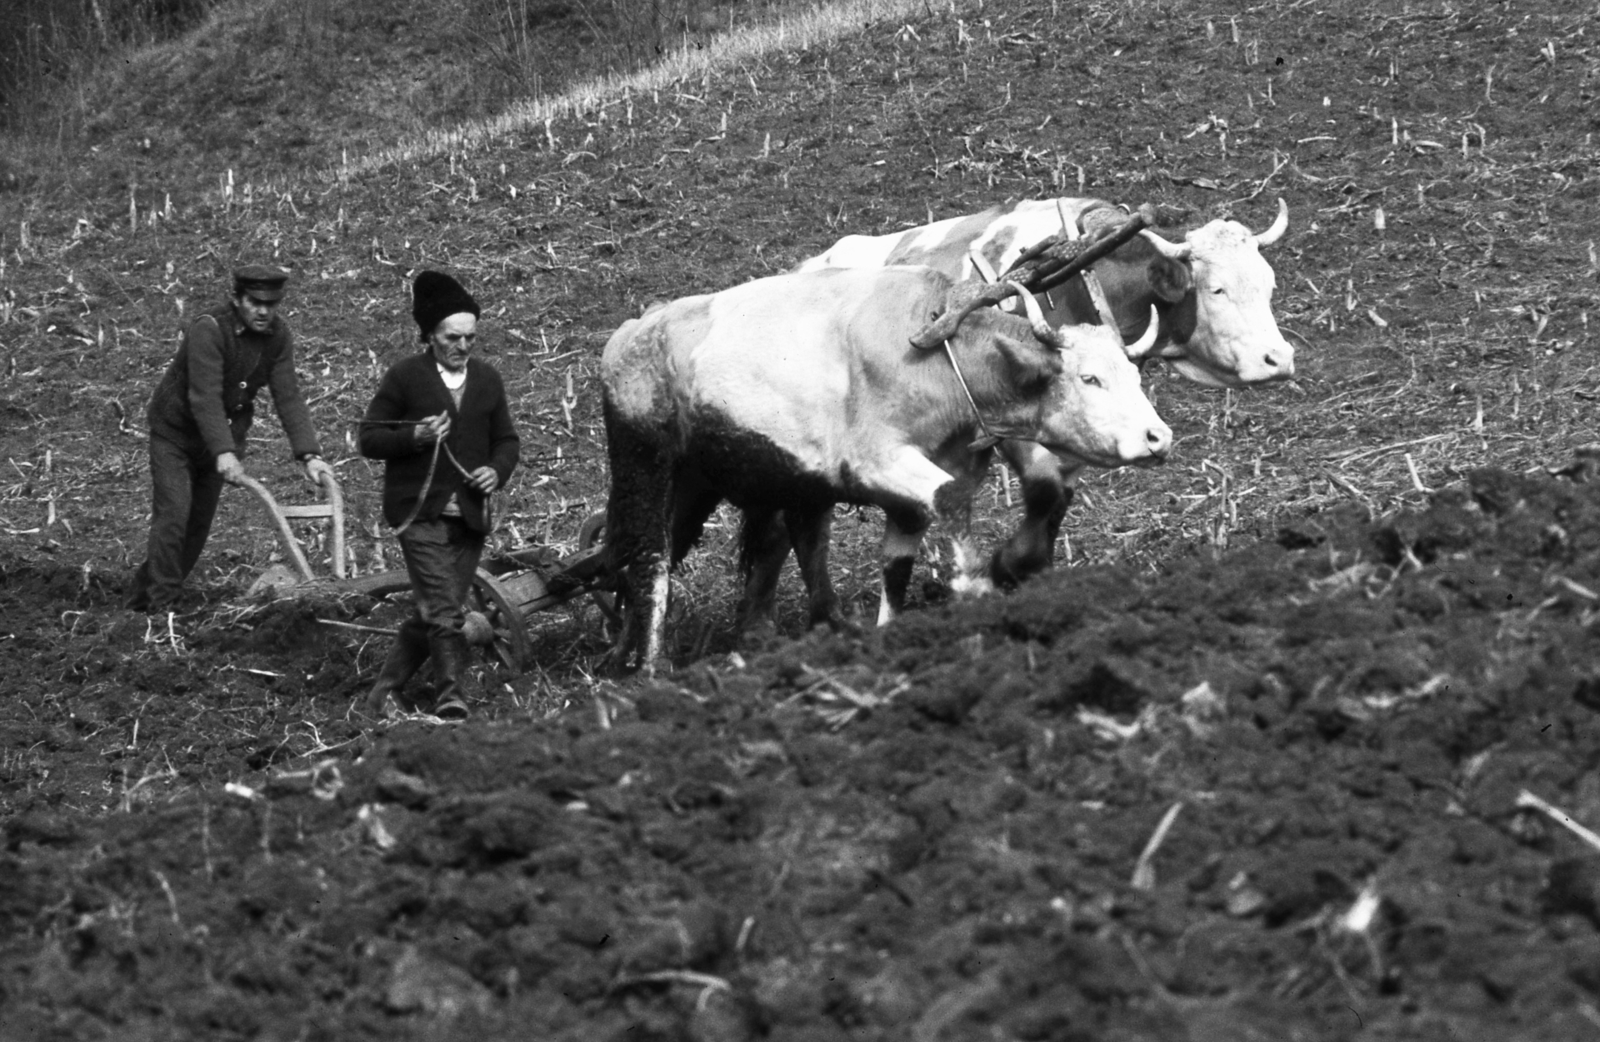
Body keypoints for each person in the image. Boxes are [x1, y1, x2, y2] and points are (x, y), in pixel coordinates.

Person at [359, 271, 520, 719]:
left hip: (470, 519)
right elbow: (369, 439)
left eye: (470, 337)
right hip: (420, 513)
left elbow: (507, 440)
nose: (463, 346)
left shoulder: (487, 380)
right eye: (452, 337)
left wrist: (496, 470)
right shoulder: (406, 378)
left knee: (432, 610)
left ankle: (381, 694)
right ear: (430, 335)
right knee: (447, 611)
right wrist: (415, 436)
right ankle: (452, 696)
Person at [129, 265, 335, 613]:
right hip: (175, 435)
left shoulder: (278, 337)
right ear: (237, 299)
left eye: (271, 304)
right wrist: (224, 451)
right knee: (174, 515)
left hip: (220, 440)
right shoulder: (209, 328)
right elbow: (204, 396)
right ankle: (164, 608)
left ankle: (140, 600)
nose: (263, 311)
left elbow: (288, 396)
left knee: (197, 527)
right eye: (255, 302)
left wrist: (309, 454)